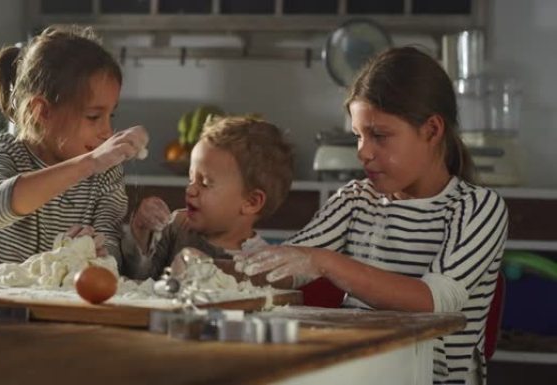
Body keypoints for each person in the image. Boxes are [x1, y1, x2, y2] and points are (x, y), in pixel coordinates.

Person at [235, 47, 508, 385]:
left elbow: (434, 302)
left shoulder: (477, 207)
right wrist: (206, 259)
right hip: (360, 373)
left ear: (432, 130)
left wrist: (327, 262)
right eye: (359, 136)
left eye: (379, 135)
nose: (363, 152)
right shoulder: (355, 199)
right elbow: (290, 263)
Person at [0, 26, 149, 278]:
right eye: (94, 116)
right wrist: (89, 163)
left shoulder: (106, 174)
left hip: (61, 309)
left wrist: (97, 251)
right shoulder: (3, 153)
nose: (107, 131)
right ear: (42, 112)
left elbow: (111, 248)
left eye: (111, 115)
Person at [121, 116, 294, 280]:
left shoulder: (260, 263)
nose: (190, 190)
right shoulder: (177, 226)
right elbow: (138, 276)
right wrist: (141, 230)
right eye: (190, 179)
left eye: (204, 183)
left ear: (251, 202)